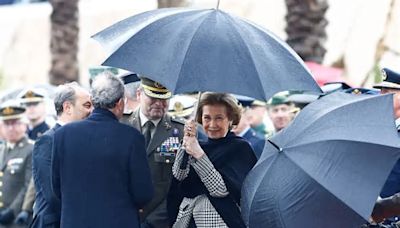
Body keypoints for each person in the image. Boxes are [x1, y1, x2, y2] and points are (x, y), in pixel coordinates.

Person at [51, 73, 153, 228]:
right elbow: (143, 193)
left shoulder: (62, 135)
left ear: (92, 101)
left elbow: (57, 188)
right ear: (120, 103)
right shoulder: (132, 138)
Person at [168, 92, 257, 228]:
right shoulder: (198, 144)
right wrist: (186, 143)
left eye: (219, 118)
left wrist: (199, 154)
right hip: (188, 220)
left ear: (231, 119)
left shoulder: (240, 148)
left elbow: (220, 189)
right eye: (207, 118)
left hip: (220, 222)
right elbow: (179, 176)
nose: (212, 124)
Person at [24, 82, 92, 228]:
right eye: (86, 105)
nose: (91, 110)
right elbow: (52, 194)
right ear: (67, 107)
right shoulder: (47, 141)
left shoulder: (85, 138)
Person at [121, 77, 185, 228]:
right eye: (153, 97)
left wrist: (154, 220)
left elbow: (178, 184)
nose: (158, 103)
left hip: (160, 221)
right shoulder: (121, 125)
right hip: (123, 216)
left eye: (164, 99)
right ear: (139, 94)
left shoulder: (180, 132)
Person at [370, 68, 400, 225]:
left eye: (388, 92)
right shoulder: (376, 128)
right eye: (381, 91)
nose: (381, 97)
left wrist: (382, 210)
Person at [0, 100, 33, 228]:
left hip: (18, 219)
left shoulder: (31, 149)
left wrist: (13, 211)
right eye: (6, 124)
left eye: (15, 123)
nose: (10, 128)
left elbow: (28, 185)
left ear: (25, 125)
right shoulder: (2, 149)